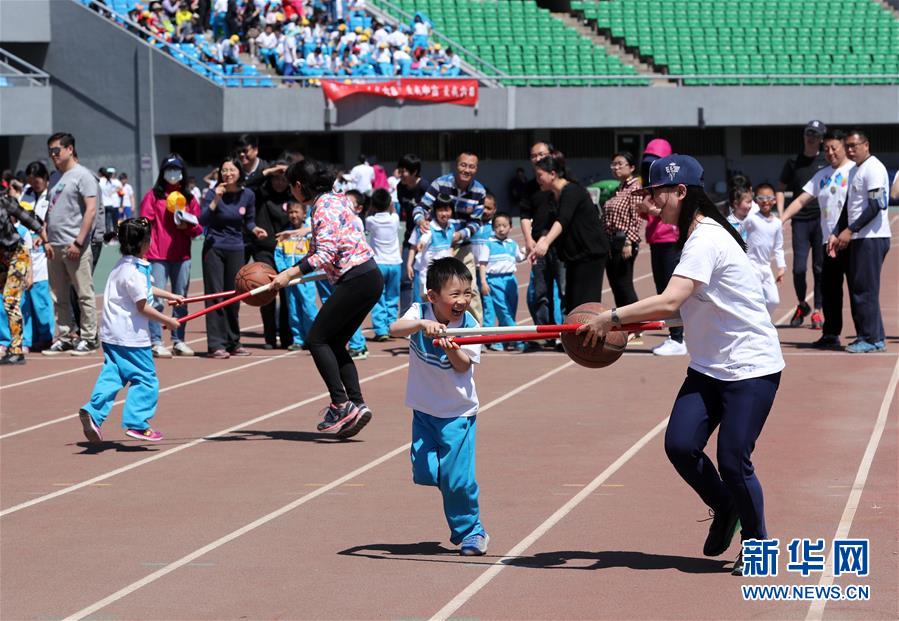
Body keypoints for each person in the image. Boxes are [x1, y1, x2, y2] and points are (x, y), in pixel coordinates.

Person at [578, 154, 784, 575]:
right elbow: (684, 309)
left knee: (732, 459)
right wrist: (634, 325)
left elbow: (672, 300)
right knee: (680, 445)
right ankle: (726, 507)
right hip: (710, 367)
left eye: (656, 194)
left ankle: (759, 544)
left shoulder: (706, 238)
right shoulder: (696, 236)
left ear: (681, 192)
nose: (651, 202)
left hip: (751, 368)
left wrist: (613, 317)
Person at [270, 158, 383, 439]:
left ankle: (341, 404)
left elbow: (324, 254)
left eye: (291, 188)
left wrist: (288, 274)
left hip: (357, 279)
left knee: (316, 339)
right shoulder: (337, 198)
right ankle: (357, 404)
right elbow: (328, 246)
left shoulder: (321, 207)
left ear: (298, 186)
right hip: (368, 276)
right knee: (334, 342)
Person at [389, 256, 489, 556]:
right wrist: (421, 324)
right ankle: (457, 497)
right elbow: (395, 329)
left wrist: (453, 347)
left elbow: (462, 367)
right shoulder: (419, 311)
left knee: (457, 480)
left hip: (457, 414)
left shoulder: (470, 325)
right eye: (455, 294)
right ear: (432, 296)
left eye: (467, 293)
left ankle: (472, 531)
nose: (462, 300)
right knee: (425, 472)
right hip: (423, 411)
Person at [77, 218, 184, 445]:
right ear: (143, 243)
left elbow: (143, 291)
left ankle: (93, 413)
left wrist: (170, 295)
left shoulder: (122, 265)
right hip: (131, 338)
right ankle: (137, 424)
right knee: (146, 380)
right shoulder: (135, 271)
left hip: (111, 334)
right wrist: (169, 321)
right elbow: (142, 306)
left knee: (113, 374)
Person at [782, 130, 854, 349]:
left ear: (844, 147)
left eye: (835, 148)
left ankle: (866, 335)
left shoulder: (855, 171)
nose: (830, 153)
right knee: (831, 291)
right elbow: (802, 199)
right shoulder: (822, 175)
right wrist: (781, 219)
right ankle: (830, 334)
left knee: (858, 290)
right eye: (827, 149)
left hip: (852, 240)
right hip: (829, 243)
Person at [827, 130, 891, 354]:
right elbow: (848, 207)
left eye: (855, 145)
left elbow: (875, 207)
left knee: (865, 289)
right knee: (859, 287)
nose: (851, 149)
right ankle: (873, 335)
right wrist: (837, 232)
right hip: (859, 236)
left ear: (866, 144)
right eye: (848, 146)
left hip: (872, 238)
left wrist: (850, 230)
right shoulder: (855, 170)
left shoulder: (873, 168)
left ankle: (871, 338)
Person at [200, 156, 267, 359]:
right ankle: (215, 344)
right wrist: (215, 200)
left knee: (234, 296)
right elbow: (202, 220)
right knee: (215, 296)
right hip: (214, 248)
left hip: (237, 248)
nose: (227, 174)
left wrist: (255, 229)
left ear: (240, 173)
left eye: (231, 170)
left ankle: (233, 342)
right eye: (224, 170)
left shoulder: (248, 195)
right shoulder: (212, 193)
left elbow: (248, 221)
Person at [43, 132, 101, 357]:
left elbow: (91, 210)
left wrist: (79, 242)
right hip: (54, 245)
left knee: (83, 293)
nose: (53, 155)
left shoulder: (83, 176)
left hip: (74, 245)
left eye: (56, 150)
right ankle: (66, 336)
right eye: (50, 152)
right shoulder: (55, 177)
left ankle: (89, 337)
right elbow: (50, 210)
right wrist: (45, 236)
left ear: (69, 149)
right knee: (58, 295)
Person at [141, 154, 204, 358]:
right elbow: (144, 223)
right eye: (169, 170)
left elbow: (198, 229)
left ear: (182, 172)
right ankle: (156, 341)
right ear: (163, 172)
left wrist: (186, 227)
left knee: (180, 299)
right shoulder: (153, 196)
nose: (173, 174)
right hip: (157, 254)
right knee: (156, 300)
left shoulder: (190, 198)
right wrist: (143, 252)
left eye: (177, 170)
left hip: (181, 255)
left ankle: (179, 340)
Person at [529, 151, 610, 309]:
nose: (537, 180)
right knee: (572, 303)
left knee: (586, 303)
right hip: (574, 256)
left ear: (552, 174)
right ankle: (576, 333)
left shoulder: (572, 191)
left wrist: (546, 244)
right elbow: (548, 225)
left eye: (540, 175)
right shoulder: (553, 196)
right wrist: (539, 244)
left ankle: (593, 333)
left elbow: (563, 220)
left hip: (591, 254)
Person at [413, 152, 486, 324]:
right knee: (437, 293)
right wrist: (420, 220)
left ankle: (475, 336)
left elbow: (476, 222)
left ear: (476, 169)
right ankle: (431, 332)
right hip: (437, 249)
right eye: (463, 165)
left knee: (470, 291)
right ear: (456, 165)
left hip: (462, 246)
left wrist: (460, 235)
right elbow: (421, 207)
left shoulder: (479, 191)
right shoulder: (440, 184)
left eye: (471, 166)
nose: (466, 170)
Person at [778, 120, 828, 329]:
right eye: (808, 133)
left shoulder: (826, 161)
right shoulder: (793, 162)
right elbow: (780, 188)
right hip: (799, 220)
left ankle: (817, 310)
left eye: (815, 134)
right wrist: (781, 215)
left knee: (819, 268)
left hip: (820, 220)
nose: (811, 137)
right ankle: (801, 304)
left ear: (821, 139)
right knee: (798, 268)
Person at [637, 139, 685, 356]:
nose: (650, 166)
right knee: (662, 289)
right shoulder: (651, 185)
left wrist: (652, 210)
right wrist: (643, 208)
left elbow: (676, 214)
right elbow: (645, 213)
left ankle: (677, 338)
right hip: (657, 240)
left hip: (670, 240)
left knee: (670, 291)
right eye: (648, 162)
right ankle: (676, 335)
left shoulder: (674, 186)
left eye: (655, 161)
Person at [246, 159, 294, 349]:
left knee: (287, 295)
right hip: (264, 249)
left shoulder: (293, 196)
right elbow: (247, 184)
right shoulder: (260, 194)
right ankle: (269, 337)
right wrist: (269, 171)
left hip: (288, 251)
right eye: (276, 178)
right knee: (267, 292)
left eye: (283, 179)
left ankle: (287, 336)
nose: (279, 182)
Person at [520, 142, 563, 336]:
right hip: (538, 246)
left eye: (541, 154)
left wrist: (549, 238)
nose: (537, 158)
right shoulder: (529, 187)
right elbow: (524, 215)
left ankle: (564, 331)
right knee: (540, 291)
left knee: (563, 290)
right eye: (534, 155)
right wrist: (529, 241)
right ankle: (546, 333)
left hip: (560, 245)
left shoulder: (562, 184)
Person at [0, 194, 45, 365]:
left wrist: (45, 240)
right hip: (1, 258)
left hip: (16, 255)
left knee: (11, 301)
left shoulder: (4, 201)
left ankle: (17, 350)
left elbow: (27, 219)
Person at [20, 162, 55, 351]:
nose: (34, 185)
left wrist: (43, 236)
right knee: (25, 298)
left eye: (37, 181)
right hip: (25, 245)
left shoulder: (51, 194)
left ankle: (46, 336)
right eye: (31, 182)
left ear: (45, 178)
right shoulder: (26, 193)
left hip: (43, 247)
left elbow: (52, 218)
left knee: (40, 296)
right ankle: (28, 338)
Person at [274, 201, 318, 350]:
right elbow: (278, 255)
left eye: (296, 212)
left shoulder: (308, 234)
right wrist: (284, 270)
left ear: (304, 213)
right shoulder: (284, 235)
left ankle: (313, 338)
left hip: (306, 279)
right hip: (290, 280)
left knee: (308, 308)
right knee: (293, 310)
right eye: (291, 212)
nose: (293, 215)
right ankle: (298, 339)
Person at [478, 212, 525, 351]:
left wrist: (527, 251)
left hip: (510, 280)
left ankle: (500, 340)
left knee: (511, 310)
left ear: (510, 227)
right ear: (493, 228)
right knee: (504, 311)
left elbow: (519, 258)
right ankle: (518, 340)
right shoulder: (489, 244)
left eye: (504, 225)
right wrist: (483, 282)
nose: (501, 228)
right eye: (498, 226)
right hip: (494, 280)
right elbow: (482, 264)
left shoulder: (512, 244)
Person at [602, 151, 642, 312]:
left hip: (623, 240)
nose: (615, 167)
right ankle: (625, 324)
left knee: (624, 285)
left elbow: (636, 216)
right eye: (613, 164)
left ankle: (637, 323)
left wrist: (628, 241)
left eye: (620, 164)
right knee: (616, 285)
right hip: (611, 242)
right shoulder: (618, 188)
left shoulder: (635, 187)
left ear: (631, 167)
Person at [741, 183, 785, 317]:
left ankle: (762, 320)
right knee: (755, 298)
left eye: (769, 198)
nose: (765, 201)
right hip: (751, 266)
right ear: (756, 201)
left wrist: (781, 266)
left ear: (774, 200)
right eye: (761, 198)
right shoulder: (751, 219)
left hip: (765, 267)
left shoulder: (777, 223)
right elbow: (738, 232)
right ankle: (756, 324)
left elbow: (778, 247)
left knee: (773, 300)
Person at [365, 188, 402, 341]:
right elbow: (393, 210)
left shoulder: (370, 221)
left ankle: (381, 330)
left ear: (373, 204)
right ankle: (392, 327)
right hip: (395, 263)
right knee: (392, 297)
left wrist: (370, 208)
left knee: (378, 297)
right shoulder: (394, 219)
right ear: (389, 204)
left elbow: (367, 219)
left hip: (379, 263)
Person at [407, 194, 456, 305]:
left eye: (447, 210)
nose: (444, 214)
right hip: (424, 273)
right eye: (441, 210)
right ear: (435, 211)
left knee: (438, 303)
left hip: (442, 274)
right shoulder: (427, 227)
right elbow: (415, 246)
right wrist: (409, 264)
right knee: (420, 303)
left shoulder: (451, 227)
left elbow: (450, 246)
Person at [396, 153, 429, 314]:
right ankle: (405, 315)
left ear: (415, 172)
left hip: (425, 237)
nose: (400, 174)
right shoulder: (400, 187)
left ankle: (426, 312)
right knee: (405, 277)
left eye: (404, 171)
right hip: (409, 236)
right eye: (400, 170)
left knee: (423, 276)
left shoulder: (425, 187)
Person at [98, 167, 123, 243]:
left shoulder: (100, 181)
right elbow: (119, 188)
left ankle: (108, 239)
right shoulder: (110, 181)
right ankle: (114, 237)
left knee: (106, 222)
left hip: (104, 205)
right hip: (111, 204)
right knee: (113, 222)